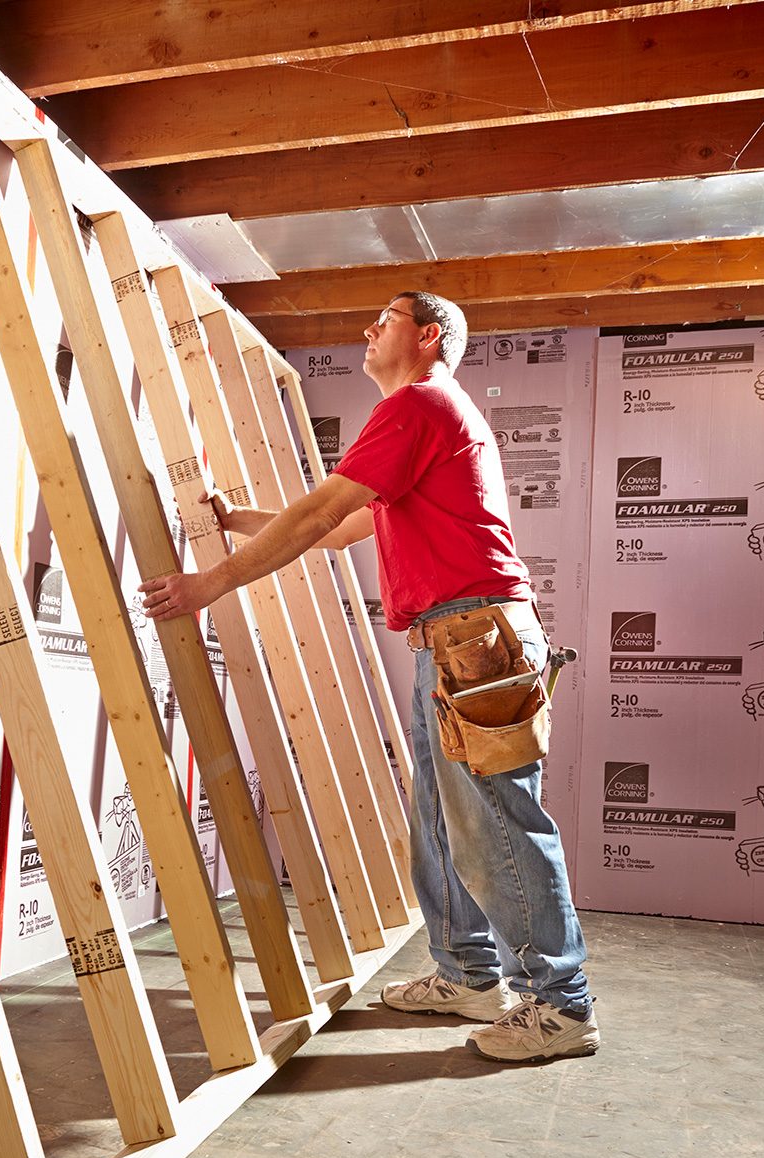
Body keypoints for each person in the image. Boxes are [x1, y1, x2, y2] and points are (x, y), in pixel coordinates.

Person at [139, 292, 598, 1062]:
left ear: (427, 337)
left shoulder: (417, 404)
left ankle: (562, 1006)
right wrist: (240, 518)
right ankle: (469, 977)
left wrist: (207, 584)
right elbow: (348, 525)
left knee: (498, 824)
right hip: (455, 642)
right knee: (444, 821)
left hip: (474, 640)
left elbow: (324, 515)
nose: (365, 327)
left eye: (381, 319)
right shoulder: (424, 417)